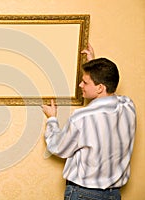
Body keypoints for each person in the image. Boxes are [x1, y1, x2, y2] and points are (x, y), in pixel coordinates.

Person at [41, 44, 136, 200]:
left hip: (83, 194)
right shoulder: (127, 106)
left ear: (100, 87)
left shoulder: (82, 117)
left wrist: (52, 119)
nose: (80, 85)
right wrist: (94, 65)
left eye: (85, 82)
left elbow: (58, 147)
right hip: (114, 195)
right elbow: (110, 92)